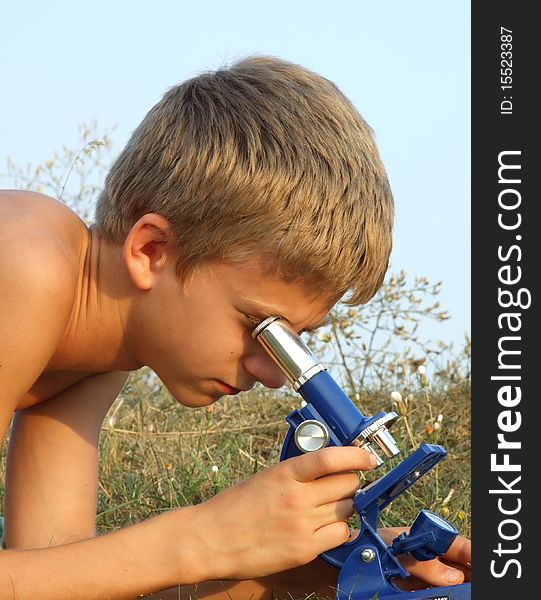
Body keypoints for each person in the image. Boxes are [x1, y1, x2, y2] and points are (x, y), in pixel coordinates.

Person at [0, 56, 470, 599]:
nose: (272, 374)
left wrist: (304, 567)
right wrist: (202, 538)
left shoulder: (95, 349)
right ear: (152, 250)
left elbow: (57, 579)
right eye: (260, 327)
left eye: (296, 340)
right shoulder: (24, 262)